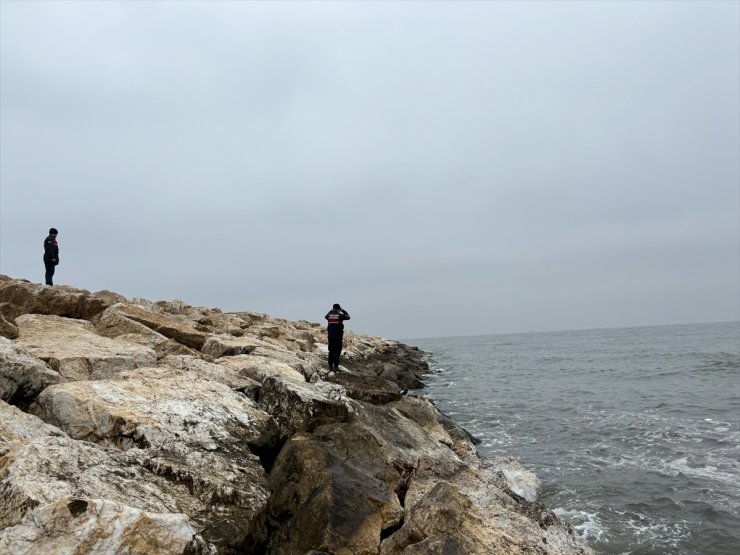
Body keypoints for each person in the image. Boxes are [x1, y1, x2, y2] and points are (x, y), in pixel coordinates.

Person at [325, 303, 350, 370]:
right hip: (338, 336)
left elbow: (326, 316)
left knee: (331, 351)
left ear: (333, 308)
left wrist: (331, 310)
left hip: (330, 336)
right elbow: (348, 317)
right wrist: (343, 310)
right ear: (339, 309)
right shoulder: (340, 315)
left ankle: (330, 366)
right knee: (337, 351)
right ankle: (336, 366)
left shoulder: (329, 316)